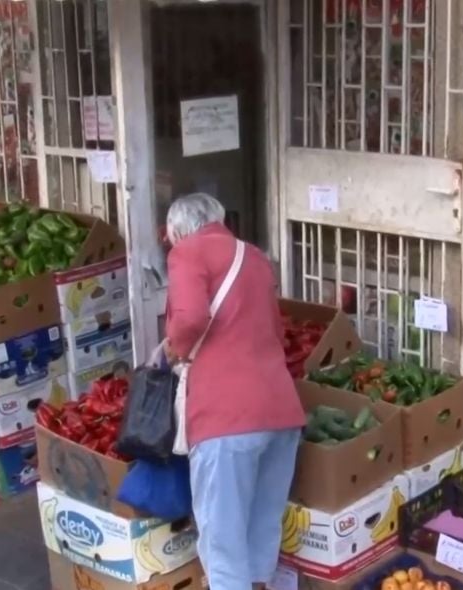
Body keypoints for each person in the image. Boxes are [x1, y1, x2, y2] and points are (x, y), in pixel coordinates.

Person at [164, 193, 306, 590]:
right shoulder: (255, 256)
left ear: (176, 231)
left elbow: (190, 317)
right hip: (280, 411)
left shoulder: (187, 253)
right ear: (220, 219)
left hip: (225, 417)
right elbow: (276, 332)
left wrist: (176, 351)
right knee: (263, 527)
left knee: (222, 539)